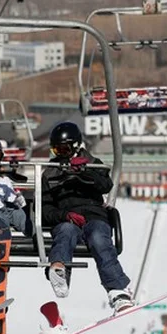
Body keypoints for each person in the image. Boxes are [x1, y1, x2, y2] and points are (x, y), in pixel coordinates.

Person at [42, 121, 133, 314]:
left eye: (64, 149)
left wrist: (86, 172)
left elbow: (105, 185)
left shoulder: (92, 163)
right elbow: (45, 208)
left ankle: (118, 291)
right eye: (55, 150)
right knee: (65, 232)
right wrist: (64, 215)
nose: (60, 154)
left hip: (94, 216)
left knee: (99, 238)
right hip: (66, 218)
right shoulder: (50, 172)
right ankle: (59, 271)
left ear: (75, 146)